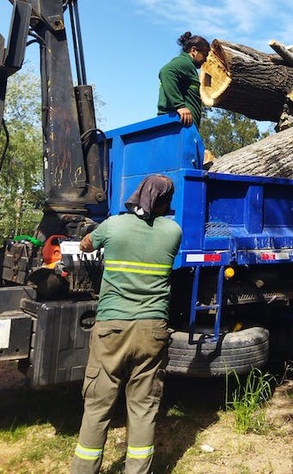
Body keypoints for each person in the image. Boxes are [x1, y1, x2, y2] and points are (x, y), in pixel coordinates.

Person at [71, 174, 182, 474]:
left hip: (112, 329)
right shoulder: (173, 231)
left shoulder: (114, 225)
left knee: (97, 406)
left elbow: (85, 244)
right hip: (152, 331)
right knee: (144, 407)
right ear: (166, 201)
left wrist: (92, 235)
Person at [157, 32, 210, 127]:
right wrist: (179, 106)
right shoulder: (184, 63)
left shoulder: (189, 67)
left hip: (183, 125)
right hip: (176, 124)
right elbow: (166, 72)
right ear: (194, 50)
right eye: (204, 55)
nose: (205, 60)